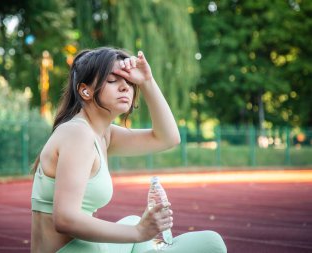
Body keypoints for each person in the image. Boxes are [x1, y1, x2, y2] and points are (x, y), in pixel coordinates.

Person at [31, 47, 227, 253]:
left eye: (129, 82)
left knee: (133, 220)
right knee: (211, 243)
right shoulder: (78, 134)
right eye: (113, 80)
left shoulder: (102, 134)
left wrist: (147, 81)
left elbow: (167, 138)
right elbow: (65, 219)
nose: (125, 87)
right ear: (85, 90)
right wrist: (139, 232)